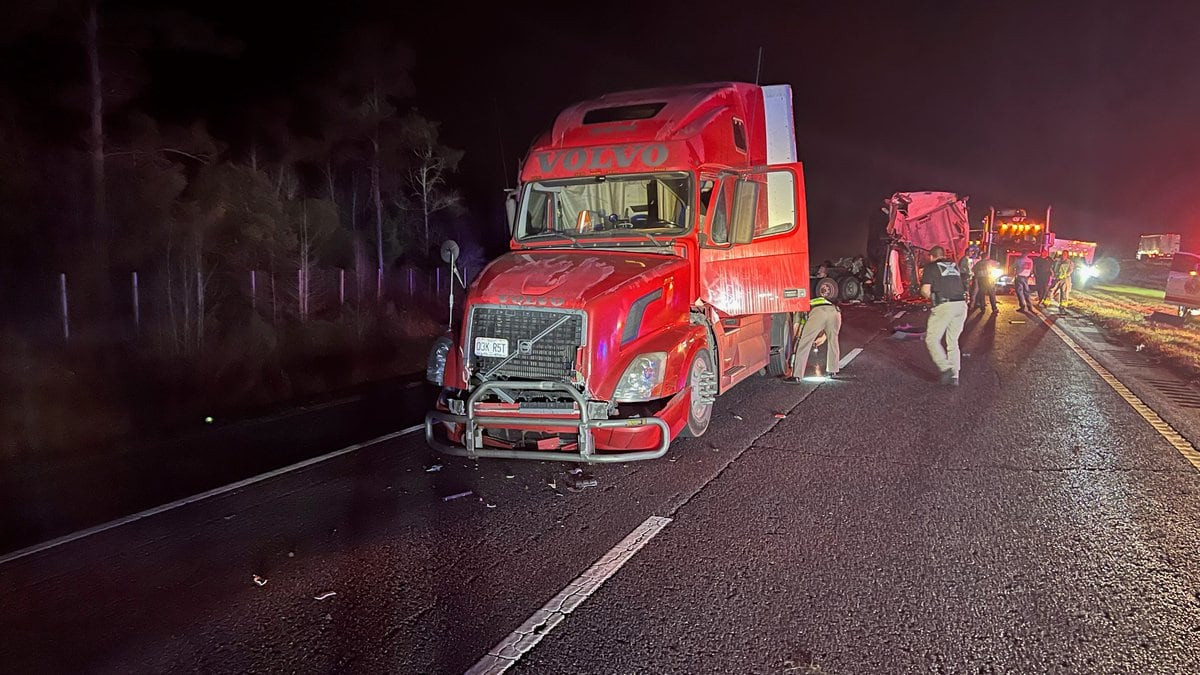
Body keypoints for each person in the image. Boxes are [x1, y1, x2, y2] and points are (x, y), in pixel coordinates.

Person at [921, 245, 968, 386]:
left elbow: (925, 290)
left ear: (931, 256)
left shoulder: (930, 267)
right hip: (961, 305)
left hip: (945, 305)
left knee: (932, 339)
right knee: (953, 341)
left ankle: (945, 368)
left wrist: (930, 297)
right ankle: (955, 376)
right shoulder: (954, 265)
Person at [785, 296, 842, 382]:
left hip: (817, 313)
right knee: (833, 341)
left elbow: (796, 328)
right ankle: (832, 370)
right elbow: (828, 333)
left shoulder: (799, 308)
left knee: (804, 344)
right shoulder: (815, 300)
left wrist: (795, 343)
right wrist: (822, 337)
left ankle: (796, 376)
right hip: (835, 312)